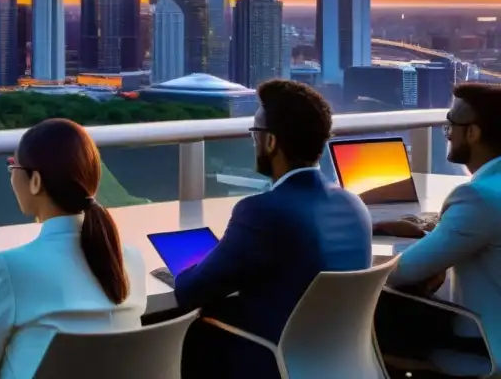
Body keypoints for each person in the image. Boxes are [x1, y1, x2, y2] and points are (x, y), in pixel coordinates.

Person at [173, 79, 372, 379]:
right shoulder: (354, 205)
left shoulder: (261, 212)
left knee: (188, 331)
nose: (254, 142)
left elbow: (190, 291)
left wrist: (186, 267)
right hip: (341, 364)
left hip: (274, 362)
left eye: (255, 133)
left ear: (271, 141)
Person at [0, 118, 147, 379]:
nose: (11, 175)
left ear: (35, 182)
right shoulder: (130, 260)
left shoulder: (8, 269)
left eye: (14, 166)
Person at [375, 83, 501, 374]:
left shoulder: (478, 198)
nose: (448, 134)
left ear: (473, 132)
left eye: (450, 127)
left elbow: (402, 272)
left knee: (373, 319)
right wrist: (435, 236)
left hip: (484, 348)